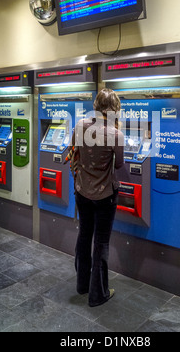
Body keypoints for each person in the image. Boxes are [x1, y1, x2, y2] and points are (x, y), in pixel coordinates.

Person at [70, 88, 124, 307]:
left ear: (96, 105)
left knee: (84, 235)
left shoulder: (80, 125)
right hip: (105, 195)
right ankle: (97, 294)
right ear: (115, 109)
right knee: (101, 242)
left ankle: (82, 285)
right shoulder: (115, 134)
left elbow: (77, 152)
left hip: (82, 191)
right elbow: (119, 163)